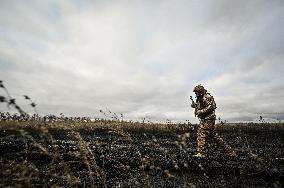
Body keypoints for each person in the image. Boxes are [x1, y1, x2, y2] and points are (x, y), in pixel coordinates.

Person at [190, 84, 236, 158]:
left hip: (208, 119)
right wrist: (194, 105)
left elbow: (212, 106)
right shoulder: (199, 98)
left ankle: (201, 153)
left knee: (201, 133)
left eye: (196, 92)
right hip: (205, 119)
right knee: (215, 137)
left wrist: (200, 111)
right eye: (195, 93)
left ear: (200, 91)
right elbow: (200, 106)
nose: (196, 94)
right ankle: (231, 151)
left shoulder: (207, 96)